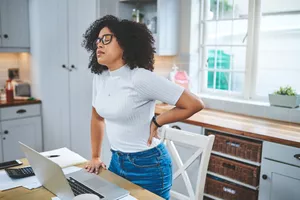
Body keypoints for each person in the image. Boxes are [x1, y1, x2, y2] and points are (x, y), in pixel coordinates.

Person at [82, 15, 204, 199]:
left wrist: (158, 120)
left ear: (126, 43)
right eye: (98, 40)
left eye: (106, 39)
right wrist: (96, 156)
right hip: (116, 161)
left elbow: (193, 104)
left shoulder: (140, 78)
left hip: (148, 166)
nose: (99, 44)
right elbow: (97, 118)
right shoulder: (100, 77)